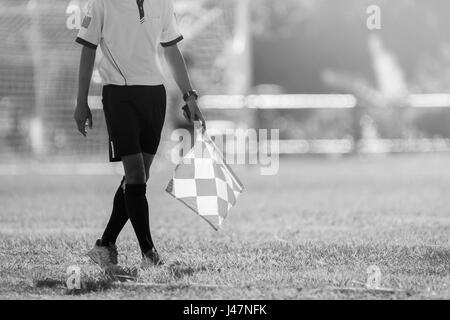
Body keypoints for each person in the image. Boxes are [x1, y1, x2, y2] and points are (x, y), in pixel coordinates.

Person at [73, 0, 205, 270]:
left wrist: (189, 96)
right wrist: (81, 101)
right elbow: (88, 50)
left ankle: (105, 245)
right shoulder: (101, 3)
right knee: (134, 174)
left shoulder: (163, 3)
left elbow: (171, 49)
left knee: (140, 176)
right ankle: (149, 253)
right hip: (118, 95)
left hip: (155, 95)